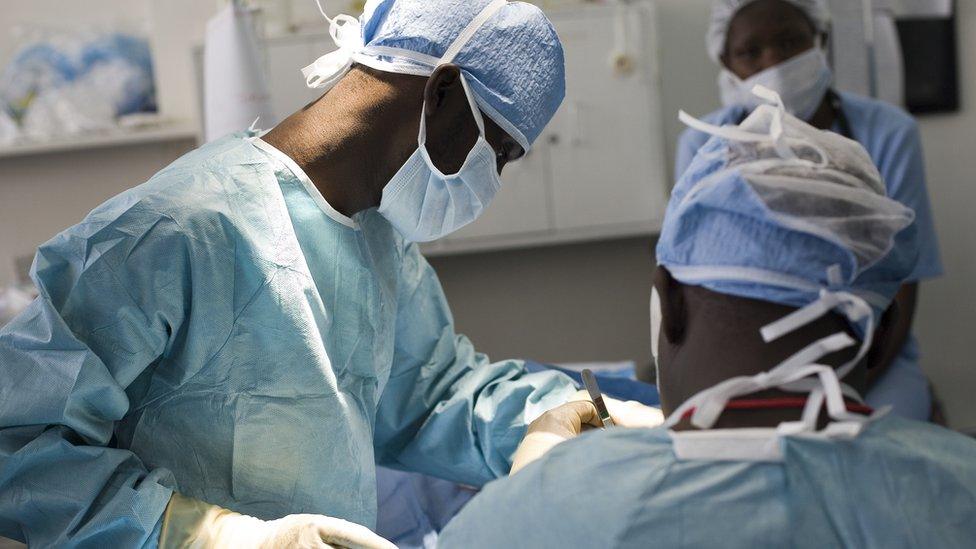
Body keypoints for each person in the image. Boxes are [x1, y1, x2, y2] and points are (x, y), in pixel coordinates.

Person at [0, 1, 660, 546]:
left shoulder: (378, 241)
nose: (495, 180)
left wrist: (551, 412)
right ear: (444, 92)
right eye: (501, 152)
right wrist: (208, 534)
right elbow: (16, 440)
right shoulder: (171, 230)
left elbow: (427, 395)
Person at [437, 91, 976, 548]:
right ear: (881, 341)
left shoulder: (534, 516)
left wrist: (538, 485)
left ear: (668, 306)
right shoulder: (958, 492)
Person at [672, 0, 943, 421]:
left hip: (873, 355)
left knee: (881, 444)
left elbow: (901, 279)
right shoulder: (704, 146)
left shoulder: (888, 132)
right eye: (751, 51)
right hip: (743, 357)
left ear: (820, 39)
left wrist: (852, 385)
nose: (774, 61)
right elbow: (693, 284)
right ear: (725, 61)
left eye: (789, 42)